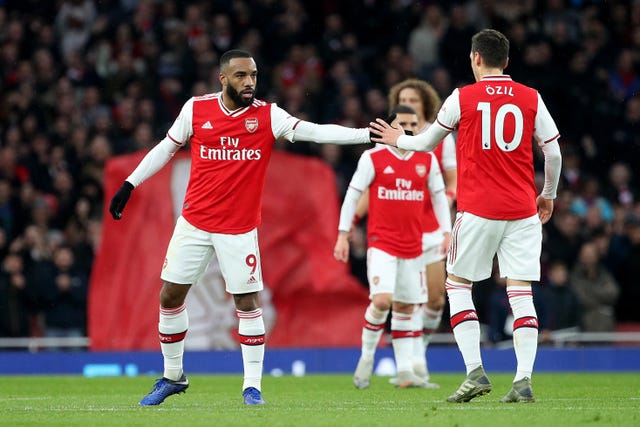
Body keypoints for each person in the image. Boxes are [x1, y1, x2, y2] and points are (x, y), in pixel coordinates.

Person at [108, 49, 372, 406]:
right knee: (170, 296)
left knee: (248, 303)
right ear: (223, 79)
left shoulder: (267, 115)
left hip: (238, 229)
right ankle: (173, 376)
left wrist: (364, 135)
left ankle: (252, 386)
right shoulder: (196, 109)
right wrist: (130, 183)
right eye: (241, 76)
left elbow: (313, 132)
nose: (249, 83)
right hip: (194, 223)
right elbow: (165, 149)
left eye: (253, 76)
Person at [369, 29, 562, 403]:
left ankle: (475, 371)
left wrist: (397, 140)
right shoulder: (531, 98)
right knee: (520, 293)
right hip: (523, 211)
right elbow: (553, 153)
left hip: (477, 211)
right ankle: (523, 380)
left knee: (458, 286)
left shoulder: (462, 97)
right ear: (506, 61)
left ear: (475, 58)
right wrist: (548, 195)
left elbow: (426, 143)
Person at [334, 105, 450, 389]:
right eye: (401, 123)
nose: (408, 128)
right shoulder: (373, 158)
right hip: (382, 243)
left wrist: (446, 231)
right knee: (383, 301)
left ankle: (406, 372)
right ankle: (367, 357)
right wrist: (342, 233)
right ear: (387, 127)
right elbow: (352, 196)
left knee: (408, 309)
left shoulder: (426, 160)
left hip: (415, 246)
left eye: (412, 123)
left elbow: (438, 197)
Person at [387, 78, 456, 385]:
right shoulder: (391, 135)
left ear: (425, 102)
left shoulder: (440, 135)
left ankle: (420, 352)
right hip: (400, 226)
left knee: (436, 299)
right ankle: (412, 364)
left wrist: (446, 200)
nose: (409, 104)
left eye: (414, 100)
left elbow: (453, 179)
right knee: (408, 298)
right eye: (403, 100)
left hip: (432, 226)